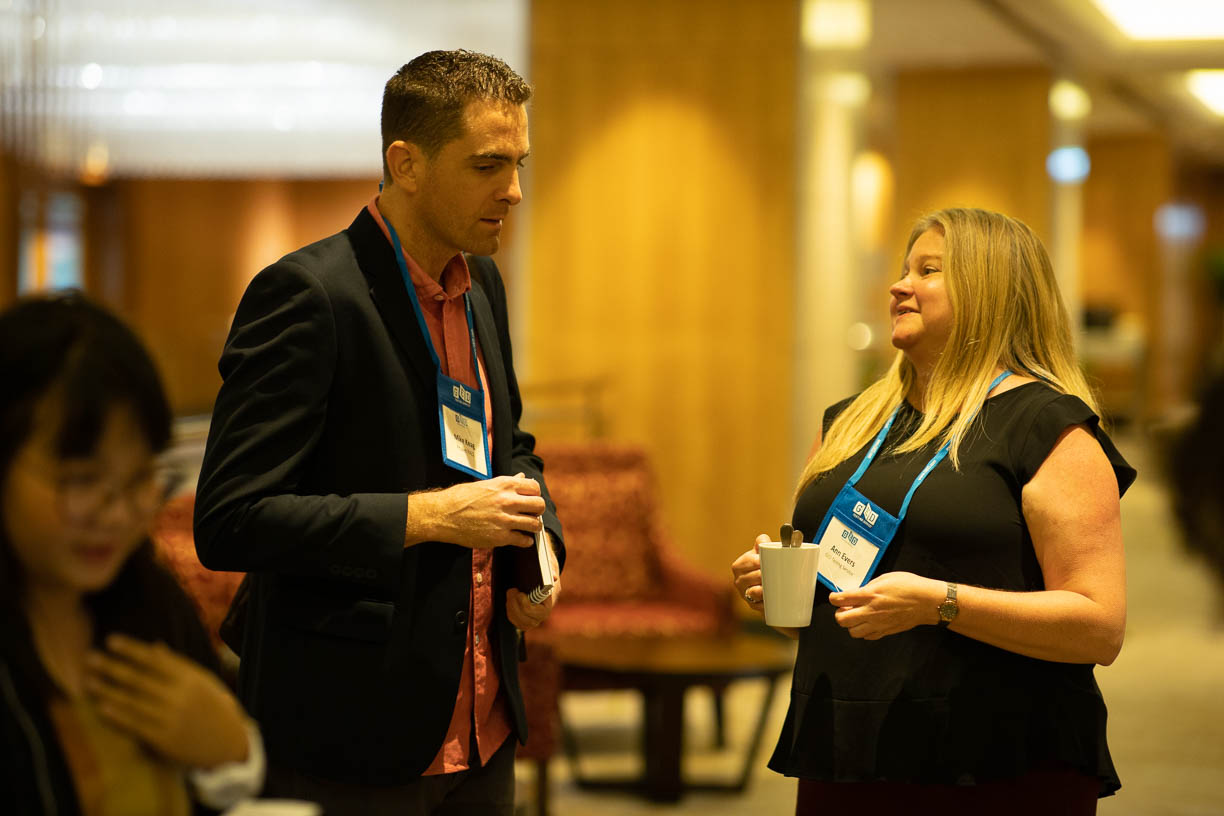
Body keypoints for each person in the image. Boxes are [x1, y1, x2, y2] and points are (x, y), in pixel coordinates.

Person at [193, 49, 564, 816]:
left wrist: (541, 548)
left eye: (519, 163)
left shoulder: (483, 284)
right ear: (407, 164)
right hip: (351, 733)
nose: (515, 190)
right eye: (488, 165)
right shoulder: (308, 295)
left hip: (484, 723)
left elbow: (513, 450)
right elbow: (230, 520)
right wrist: (428, 516)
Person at [732, 208, 1135, 815]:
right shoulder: (849, 424)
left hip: (994, 756)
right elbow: (824, 613)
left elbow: (1099, 628)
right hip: (845, 742)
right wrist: (780, 593)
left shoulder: (1047, 428)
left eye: (928, 271)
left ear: (989, 293)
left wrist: (940, 603)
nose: (900, 286)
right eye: (904, 270)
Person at [0, 292, 263, 815]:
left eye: (140, 478)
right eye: (82, 480)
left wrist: (233, 751)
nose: (119, 514)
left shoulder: (150, 602)